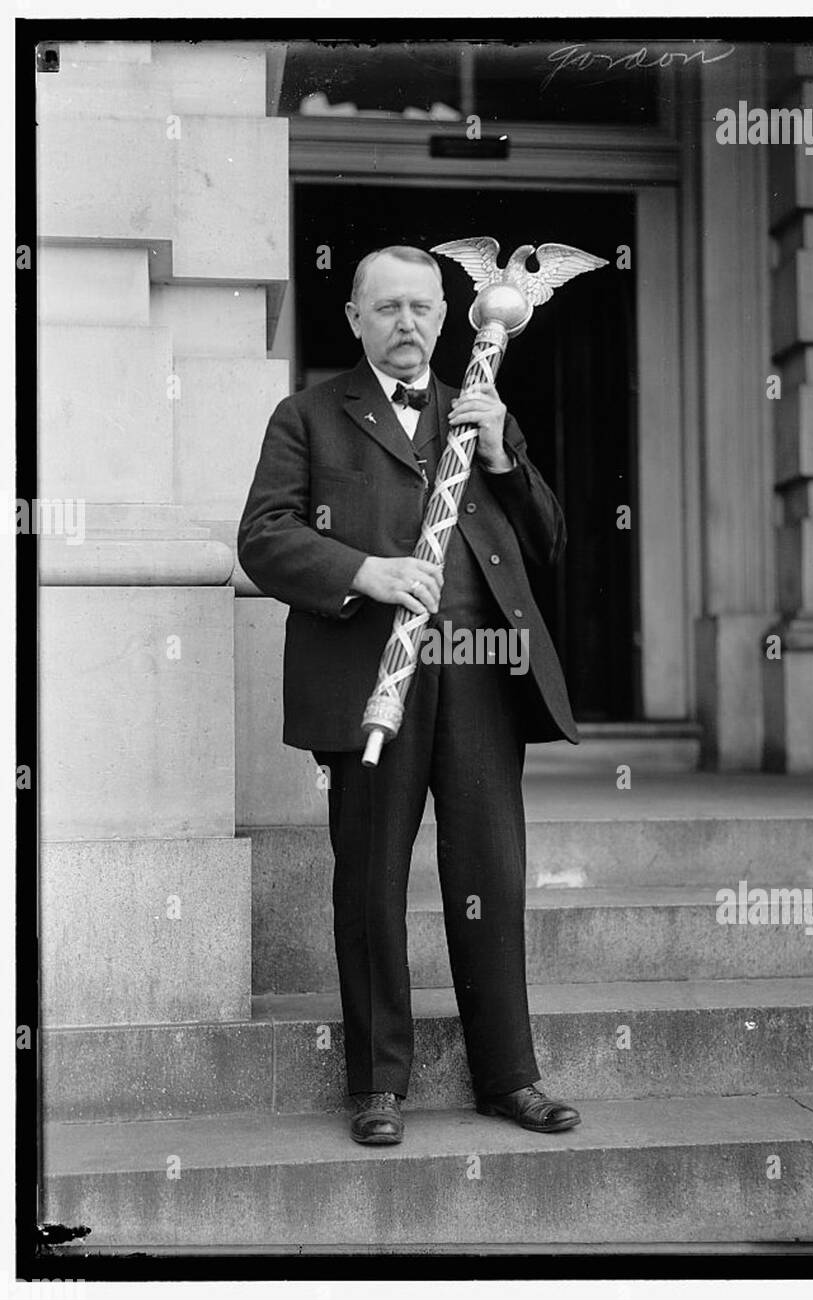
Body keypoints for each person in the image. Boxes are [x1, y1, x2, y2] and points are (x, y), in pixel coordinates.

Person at [238, 245, 581, 1145]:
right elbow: (264, 538)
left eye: (422, 307)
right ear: (354, 318)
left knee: (488, 878)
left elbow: (549, 541)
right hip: (369, 684)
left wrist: (505, 453)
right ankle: (377, 1084)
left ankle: (509, 1077)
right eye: (385, 307)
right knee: (371, 880)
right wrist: (366, 570)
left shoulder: (479, 413)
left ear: (450, 314)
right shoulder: (309, 416)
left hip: (478, 675)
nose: (407, 323)